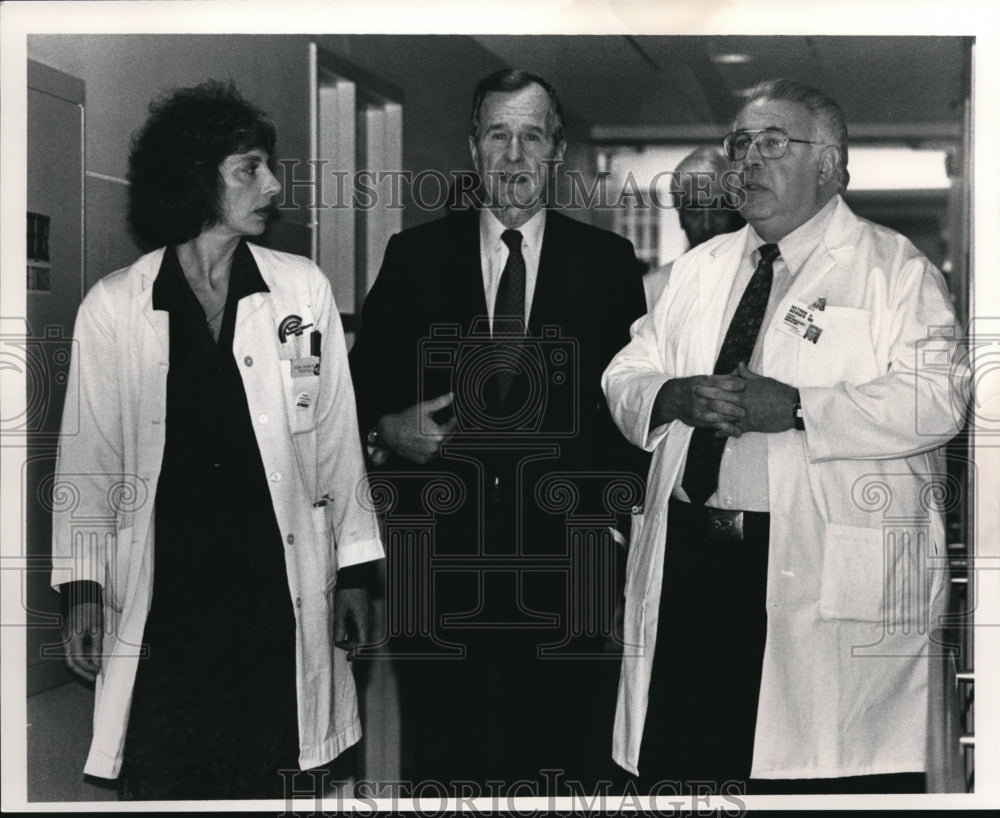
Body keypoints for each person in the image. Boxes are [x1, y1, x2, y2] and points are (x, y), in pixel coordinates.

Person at [602, 79, 968, 794]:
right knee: (689, 770)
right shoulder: (696, 271)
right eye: (741, 144)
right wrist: (672, 394)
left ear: (831, 164)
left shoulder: (894, 269)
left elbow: (940, 396)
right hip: (692, 563)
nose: (748, 160)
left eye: (773, 143)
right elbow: (626, 372)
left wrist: (799, 408)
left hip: (814, 563)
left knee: (808, 784)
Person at [51, 80, 383, 800]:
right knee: (172, 777)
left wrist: (355, 573)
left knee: (278, 777)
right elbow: (90, 459)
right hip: (170, 600)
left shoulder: (302, 291)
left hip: (275, 593)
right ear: (197, 180)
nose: (271, 185)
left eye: (267, 166)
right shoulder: (115, 307)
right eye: (249, 169)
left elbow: (335, 441)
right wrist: (83, 590)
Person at [348, 68, 648, 788]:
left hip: (570, 570)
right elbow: (353, 398)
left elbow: (630, 414)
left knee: (565, 765)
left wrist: (608, 530)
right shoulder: (414, 257)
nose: (514, 156)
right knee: (443, 767)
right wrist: (391, 429)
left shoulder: (606, 265)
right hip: (437, 567)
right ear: (473, 149)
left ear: (557, 152)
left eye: (531, 137)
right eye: (498, 135)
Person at [642, 146, 745, 307]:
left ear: (736, 213)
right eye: (694, 210)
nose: (707, 225)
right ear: (681, 218)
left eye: (718, 209)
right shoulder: (655, 288)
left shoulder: (758, 282)